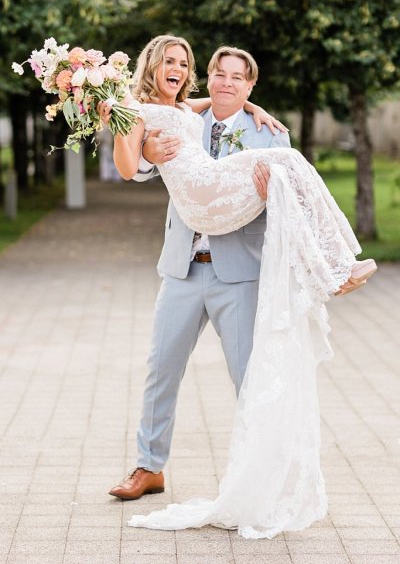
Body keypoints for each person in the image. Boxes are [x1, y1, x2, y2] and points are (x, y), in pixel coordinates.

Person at [99, 35, 377, 539]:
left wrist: (255, 114)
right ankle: (149, 466)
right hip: (183, 265)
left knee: (251, 378)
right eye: (218, 74)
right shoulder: (179, 114)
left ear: (249, 85)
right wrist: (138, 142)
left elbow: (282, 208)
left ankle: (264, 475)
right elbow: (134, 166)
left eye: (238, 78)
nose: (225, 83)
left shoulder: (269, 133)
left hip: (238, 272)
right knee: (161, 369)